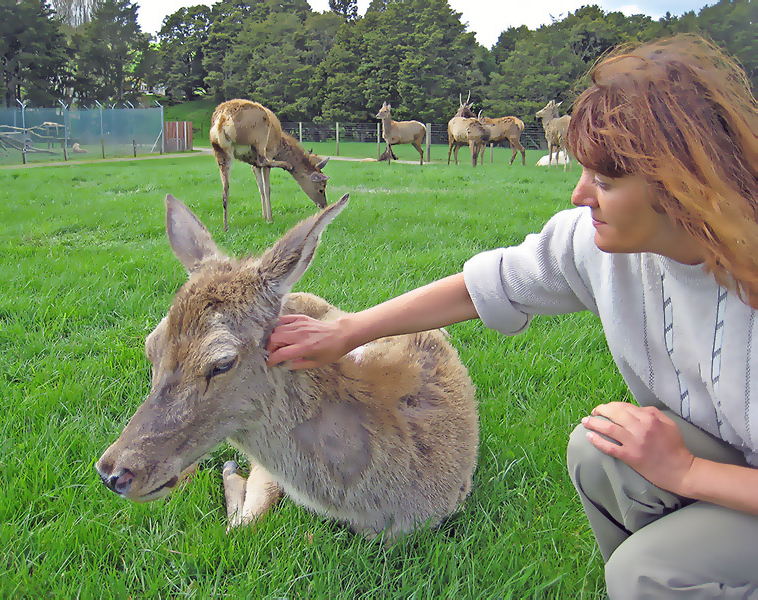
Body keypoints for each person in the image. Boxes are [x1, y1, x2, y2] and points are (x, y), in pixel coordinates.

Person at [266, 34, 758, 597]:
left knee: (645, 570)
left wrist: (689, 475)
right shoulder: (600, 246)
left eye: (605, 181)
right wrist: (348, 330)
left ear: (683, 186)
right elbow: (484, 287)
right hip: (737, 462)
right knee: (605, 452)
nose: (578, 196)